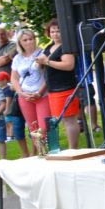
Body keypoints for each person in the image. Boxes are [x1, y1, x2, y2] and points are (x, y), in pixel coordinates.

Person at [38, 19, 82, 149]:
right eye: (52, 31)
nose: (55, 34)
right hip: (53, 89)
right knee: (63, 120)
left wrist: (47, 62)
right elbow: (45, 63)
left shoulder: (66, 47)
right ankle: (71, 147)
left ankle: (73, 148)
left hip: (65, 88)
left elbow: (69, 65)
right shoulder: (49, 47)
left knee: (70, 120)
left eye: (58, 31)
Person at [9, 28, 50, 156]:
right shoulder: (17, 58)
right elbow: (14, 77)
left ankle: (47, 152)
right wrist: (21, 93)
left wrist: (40, 92)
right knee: (33, 128)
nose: (28, 42)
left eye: (31, 39)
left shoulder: (42, 53)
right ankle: (41, 154)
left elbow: (48, 75)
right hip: (25, 96)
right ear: (20, 43)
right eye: (25, 40)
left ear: (34, 39)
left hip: (42, 95)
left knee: (43, 127)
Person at [0, 71, 27, 157]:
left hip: (13, 111)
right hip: (12, 112)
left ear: (5, 80)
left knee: (12, 125)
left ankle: (11, 136)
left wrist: (6, 110)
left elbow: (8, 101)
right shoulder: (4, 89)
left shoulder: (8, 89)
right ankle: (10, 136)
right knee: (10, 125)